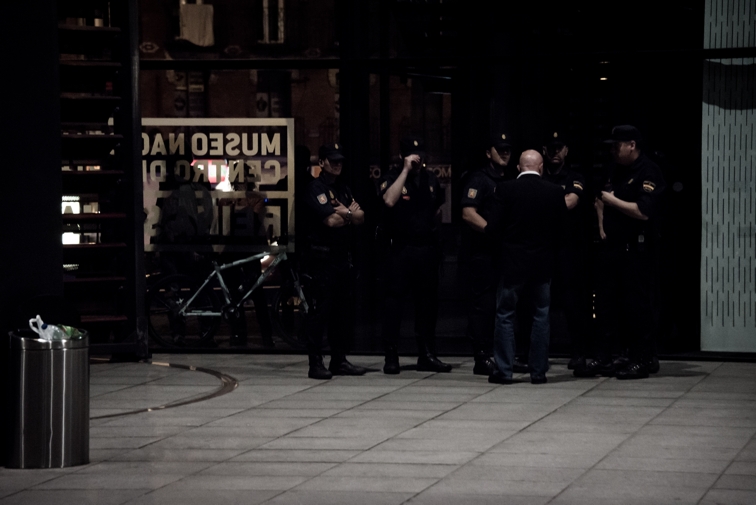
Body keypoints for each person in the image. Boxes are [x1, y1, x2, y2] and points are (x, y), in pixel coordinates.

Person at [575, 125, 665, 380]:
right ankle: (604, 357)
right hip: (611, 248)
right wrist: (601, 226)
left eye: (617, 146)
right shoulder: (614, 169)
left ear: (632, 145)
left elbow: (643, 211)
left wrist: (613, 201)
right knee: (605, 305)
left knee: (637, 307)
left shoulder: (648, 171)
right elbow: (599, 199)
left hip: (636, 250)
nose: (613, 151)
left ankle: (642, 359)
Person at [486, 150, 567, 384]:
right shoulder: (554, 191)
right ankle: (538, 371)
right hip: (542, 264)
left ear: (519, 168)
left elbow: (493, 228)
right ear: (540, 167)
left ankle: (504, 370)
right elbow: (562, 232)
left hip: (512, 263)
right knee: (541, 315)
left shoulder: (505, 189)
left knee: (505, 315)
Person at [379, 137, 450, 375]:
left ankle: (427, 353)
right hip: (400, 249)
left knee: (428, 304)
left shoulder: (430, 179)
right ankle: (391, 355)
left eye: (419, 155)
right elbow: (389, 200)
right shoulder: (392, 177)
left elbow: (437, 210)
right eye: (412, 155)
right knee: (394, 303)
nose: (417, 160)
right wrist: (405, 171)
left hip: (426, 249)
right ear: (402, 156)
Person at [301, 143, 368, 379]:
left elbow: (361, 217)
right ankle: (315, 363)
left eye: (340, 160)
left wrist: (345, 213)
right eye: (332, 160)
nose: (337, 164)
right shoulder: (315, 188)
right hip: (322, 259)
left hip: (341, 259)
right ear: (321, 163)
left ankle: (339, 360)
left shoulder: (343, 188)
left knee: (342, 313)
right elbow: (330, 221)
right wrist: (349, 213)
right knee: (320, 313)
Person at [460, 133, 514, 375]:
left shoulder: (510, 179)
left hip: (505, 253)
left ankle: (502, 354)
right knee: (483, 306)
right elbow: (468, 213)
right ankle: (481, 356)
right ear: (488, 153)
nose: (504, 153)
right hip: (483, 253)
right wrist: (492, 232)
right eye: (499, 149)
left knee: (505, 305)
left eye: (507, 149)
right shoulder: (479, 179)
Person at [541, 132, 590, 370]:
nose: (555, 152)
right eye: (551, 148)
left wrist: (539, 204)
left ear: (566, 151)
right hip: (542, 250)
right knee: (539, 304)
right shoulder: (538, 177)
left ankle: (579, 352)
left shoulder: (574, 177)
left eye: (559, 148)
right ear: (544, 150)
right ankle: (536, 353)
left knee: (573, 304)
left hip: (568, 251)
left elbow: (571, 201)